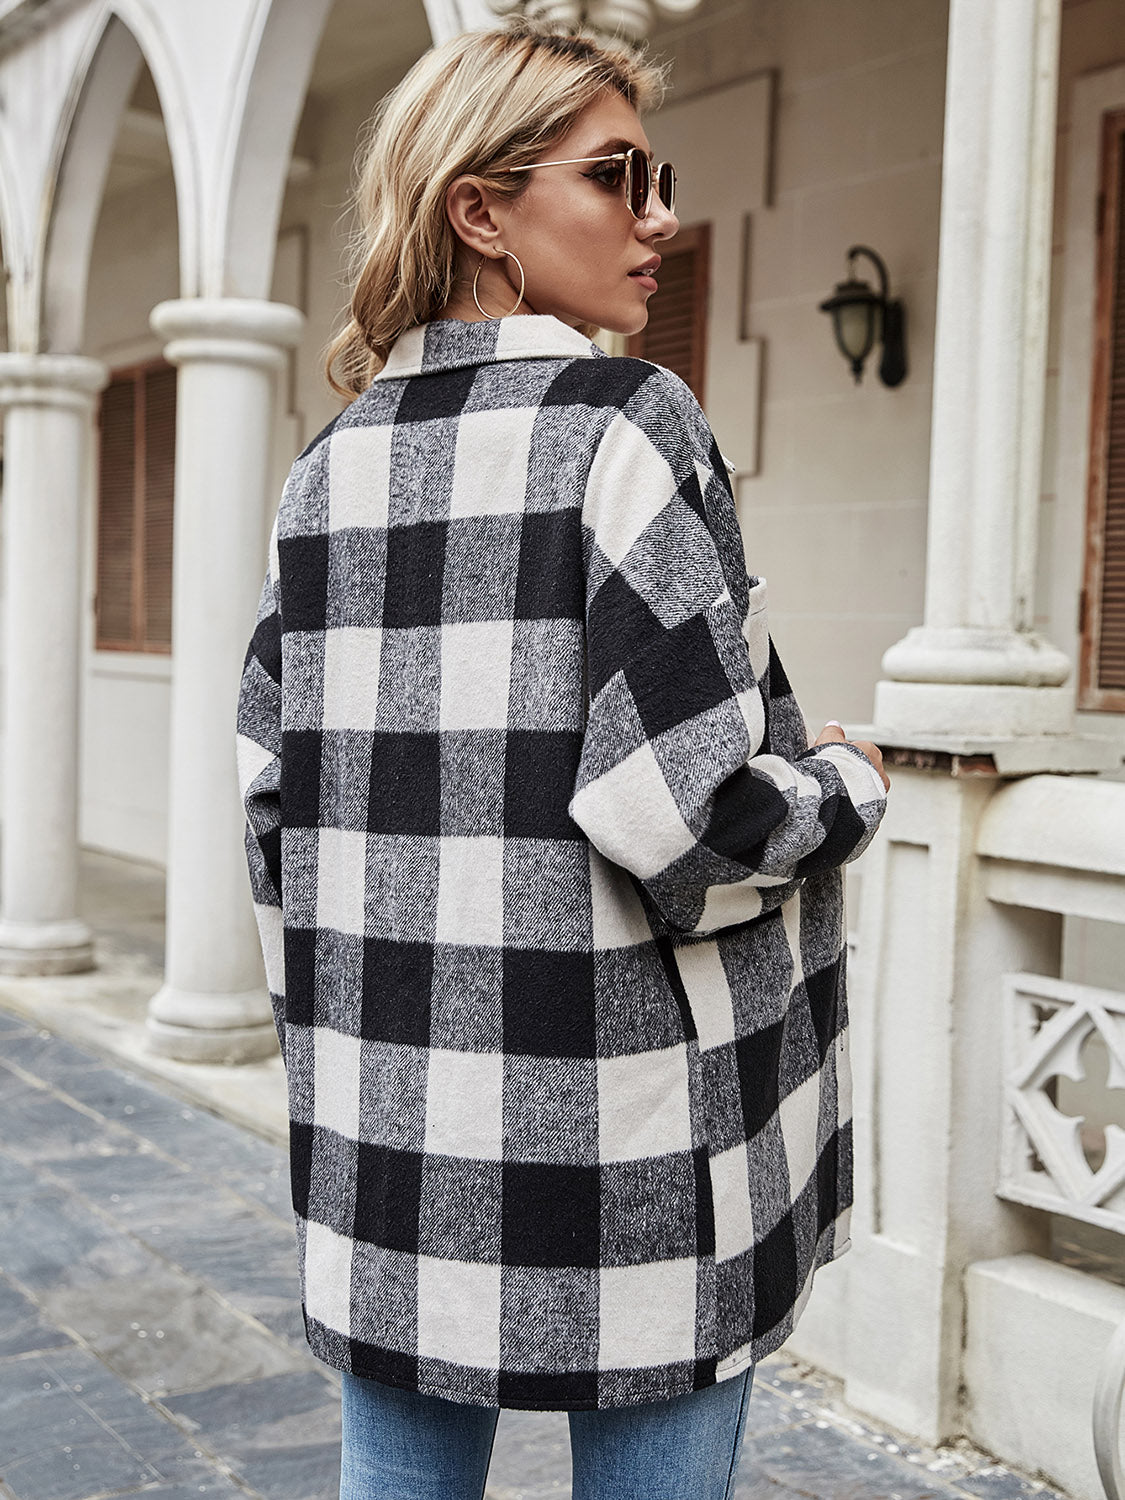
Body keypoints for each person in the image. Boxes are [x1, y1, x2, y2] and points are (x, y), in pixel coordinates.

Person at [235, 19, 890, 1500]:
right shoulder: (628, 424)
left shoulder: (326, 471)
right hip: (633, 1124)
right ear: (480, 210)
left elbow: (272, 811)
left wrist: (346, 1052)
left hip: (390, 1113)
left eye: (658, 177)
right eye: (614, 175)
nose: (658, 217)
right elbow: (687, 812)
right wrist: (843, 785)